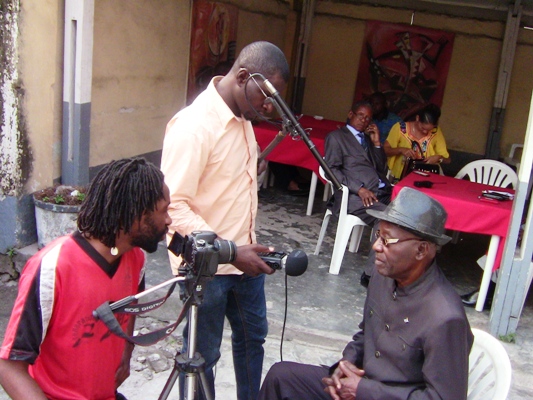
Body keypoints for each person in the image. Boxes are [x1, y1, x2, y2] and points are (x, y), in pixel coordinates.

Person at [160, 41, 289, 400]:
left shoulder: (243, 116)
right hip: (207, 267)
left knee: (254, 340)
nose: (268, 106)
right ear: (244, 76)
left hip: (245, 260)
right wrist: (231, 252)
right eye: (265, 96)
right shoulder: (194, 126)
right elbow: (173, 207)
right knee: (204, 357)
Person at [258, 187, 474, 400]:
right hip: (363, 386)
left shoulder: (445, 317)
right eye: (378, 235)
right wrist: (347, 364)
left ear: (421, 250)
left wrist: (363, 390)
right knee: (282, 377)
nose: (376, 247)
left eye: (387, 240)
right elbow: (365, 334)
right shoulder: (383, 276)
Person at [0, 157, 172, 400]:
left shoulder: (136, 260)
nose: (169, 221)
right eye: (164, 210)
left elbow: (130, 306)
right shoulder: (52, 266)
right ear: (137, 216)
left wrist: (126, 351)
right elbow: (9, 366)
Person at [325, 100, 392, 227]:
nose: (363, 120)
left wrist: (377, 144)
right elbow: (331, 170)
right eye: (360, 115)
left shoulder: (368, 139)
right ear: (351, 114)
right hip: (357, 197)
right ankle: (379, 247)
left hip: (382, 193)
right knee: (387, 219)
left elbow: (381, 170)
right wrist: (359, 189)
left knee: (408, 213)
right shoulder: (337, 137)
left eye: (368, 118)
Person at [384, 103, 451, 180]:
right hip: (399, 177)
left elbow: (448, 160)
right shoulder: (400, 128)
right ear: (417, 118)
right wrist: (400, 149)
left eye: (429, 129)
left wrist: (439, 158)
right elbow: (385, 150)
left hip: (426, 178)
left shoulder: (436, 132)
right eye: (423, 128)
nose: (425, 132)